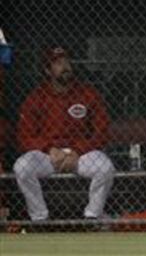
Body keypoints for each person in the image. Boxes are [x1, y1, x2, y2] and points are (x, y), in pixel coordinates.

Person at [13, 47, 114, 221]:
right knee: (21, 167)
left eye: (67, 62)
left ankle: (92, 217)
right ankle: (39, 218)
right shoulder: (36, 97)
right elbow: (24, 136)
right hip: (48, 156)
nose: (65, 66)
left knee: (106, 168)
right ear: (47, 70)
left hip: (81, 154)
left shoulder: (87, 93)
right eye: (58, 63)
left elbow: (102, 132)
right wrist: (49, 149)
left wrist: (77, 150)